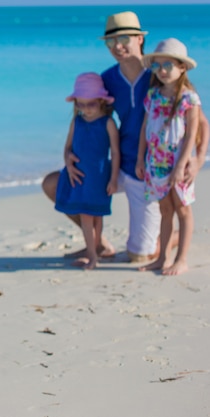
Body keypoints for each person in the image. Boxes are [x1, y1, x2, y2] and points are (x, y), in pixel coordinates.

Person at [41, 11, 209, 263]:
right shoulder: (107, 79)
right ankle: (98, 245)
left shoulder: (161, 72)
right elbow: (89, 116)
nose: (117, 47)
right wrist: (69, 155)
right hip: (119, 167)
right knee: (54, 184)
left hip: (151, 171)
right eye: (110, 42)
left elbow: (200, 122)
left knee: (141, 256)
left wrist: (197, 159)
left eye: (124, 39)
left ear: (139, 38)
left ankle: (169, 238)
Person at [135, 38, 200, 275]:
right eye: (157, 65)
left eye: (168, 65)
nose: (161, 70)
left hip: (177, 163)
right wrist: (140, 159)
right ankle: (162, 257)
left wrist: (181, 165)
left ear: (182, 67)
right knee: (165, 210)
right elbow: (145, 128)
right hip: (155, 162)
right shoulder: (153, 95)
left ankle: (181, 259)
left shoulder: (188, 98)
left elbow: (192, 134)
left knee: (183, 209)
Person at [55, 72, 120, 270]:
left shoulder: (108, 123)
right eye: (80, 105)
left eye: (90, 104)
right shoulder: (77, 122)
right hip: (79, 175)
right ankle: (92, 254)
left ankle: (96, 250)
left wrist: (114, 179)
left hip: (99, 175)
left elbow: (116, 153)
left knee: (97, 215)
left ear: (101, 101)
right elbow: (67, 147)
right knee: (85, 215)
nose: (85, 109)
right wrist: (68, 161)